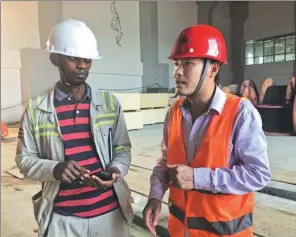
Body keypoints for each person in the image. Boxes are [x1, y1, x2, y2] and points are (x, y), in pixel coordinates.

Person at [142, 24, 271, 237]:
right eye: (177, 63)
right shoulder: (174, 112)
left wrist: (197, 178)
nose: (178, 72)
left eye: (188, 63)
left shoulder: (241, 113)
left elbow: (258, 174)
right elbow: (165, 161)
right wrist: (155, 195)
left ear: (213, 68)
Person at [15, 19, 133, 237]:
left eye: (87, 59)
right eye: (73, 58)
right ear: (54, 58)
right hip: (63, 220)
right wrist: (56, 169)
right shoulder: (36, 110)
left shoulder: (109, 103)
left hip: (110, 216)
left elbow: (123, 148)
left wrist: (116, 170)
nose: (82, 65)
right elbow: (24, 160)